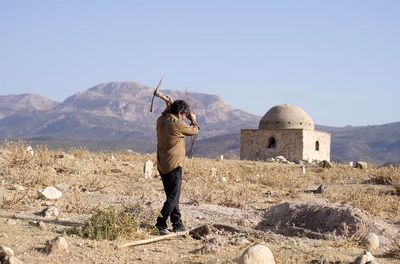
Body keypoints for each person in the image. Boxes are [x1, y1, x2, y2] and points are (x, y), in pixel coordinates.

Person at [155, 99, 199, 235]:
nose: (183, 118)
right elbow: (194, 131)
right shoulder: (177, 125)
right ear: (180, 113)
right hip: (174, 165)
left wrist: (168, 110)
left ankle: (177, 224)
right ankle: (160, 224)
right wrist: (193, 120)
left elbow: (165, 115)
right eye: (183, 115)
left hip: (162, 164)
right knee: (173, 198)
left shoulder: (160, 120)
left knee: (172, 197)